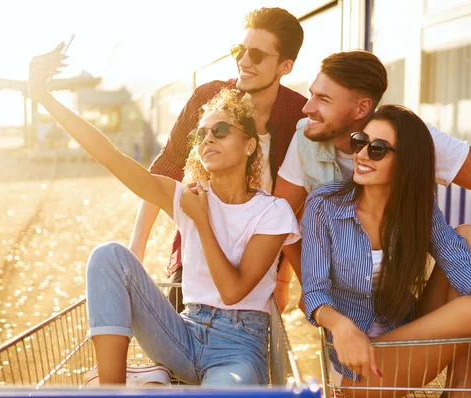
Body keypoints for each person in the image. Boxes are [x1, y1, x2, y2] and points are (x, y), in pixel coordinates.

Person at [28, 48, 300, 386]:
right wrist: (44, 98)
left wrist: (201, 221)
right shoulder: (185, 196)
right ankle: (113, 389)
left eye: (221, 130)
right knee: (108, 256)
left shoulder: (272, 213)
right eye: (201, 134)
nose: (208, 138)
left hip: (239, 348)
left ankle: (152, 380)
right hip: (183, 334)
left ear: (248, 145)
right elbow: (111, 158)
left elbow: (232, 291)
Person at [301, 105, 471, 398]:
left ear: (405, 162)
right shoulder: (323, 206)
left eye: (377, 149)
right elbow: (314, 292)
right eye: (360, 141)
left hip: (410, 337)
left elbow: (459, 263)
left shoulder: (419, 209)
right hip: (360, 366)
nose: (362, 154)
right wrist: (341, 326)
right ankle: (468, 389)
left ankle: (462, 383)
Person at [275, 50, 471, 288]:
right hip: (346, 290)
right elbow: (279, 217)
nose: (307, 108)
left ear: (361, 108)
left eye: (323, 100)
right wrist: (306, 280)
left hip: (404, 283)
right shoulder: (306, 136)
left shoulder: (411, 140)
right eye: (311, 94)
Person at [130, 7, 307, 313]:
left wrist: (282, 280)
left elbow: (293, 205)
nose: (244, 61)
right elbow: (166, 170)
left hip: (258, 268)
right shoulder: (208, 99)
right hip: (197, 255)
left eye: (257, 55)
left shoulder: (298, 117)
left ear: (285, 66)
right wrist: (137, 249)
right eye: (240, 50)